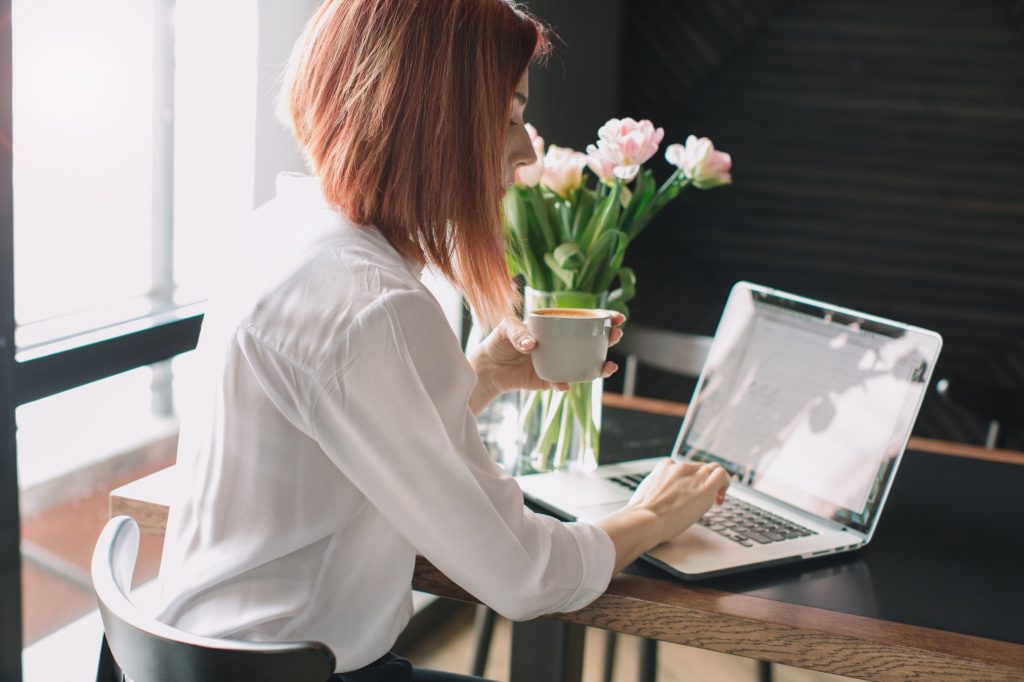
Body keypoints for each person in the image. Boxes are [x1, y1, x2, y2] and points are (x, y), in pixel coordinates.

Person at [155, 1, 730, 680]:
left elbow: (347, 443)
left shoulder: (283, 233)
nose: (525, 152)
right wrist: (655, 514)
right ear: (433, 117)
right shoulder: (375, 304)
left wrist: (478, 376)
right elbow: (525, 575)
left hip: (194, 657)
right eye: (510, 115)